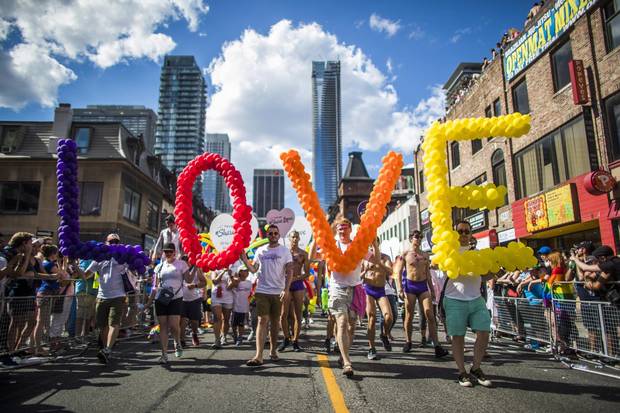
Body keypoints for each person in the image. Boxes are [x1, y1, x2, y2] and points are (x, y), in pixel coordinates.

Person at [442, 221, 492, 387]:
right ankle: (462, 372)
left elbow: (482, 276)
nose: (463, 235)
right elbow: (441, 267)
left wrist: (497, 273)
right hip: (454, 299)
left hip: (476, 298)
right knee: (458, 337)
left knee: (484, 332)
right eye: (460, 231)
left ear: (471, 234)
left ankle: (476, 368)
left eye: (466, 231)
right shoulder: (448, 251)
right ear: (455, 234)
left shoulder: (478, 252)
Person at [316, 218, 367, 377]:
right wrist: (316, 237)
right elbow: (314, 257)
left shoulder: (358, 245)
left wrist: (376, 246)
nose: (342, 231)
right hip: (337, 289)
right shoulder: (331, 246)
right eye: (339, 229)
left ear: (350, 229)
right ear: (336, 231)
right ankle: (347, 362)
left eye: (345, 228)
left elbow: (375, 260)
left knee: (351, 327)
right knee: (342, 323)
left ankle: (342, 355)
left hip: (355, 290)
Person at [241, 224, 293, 366]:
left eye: (276, 233)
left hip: (278, 292)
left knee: (275, 323)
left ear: (279, 235)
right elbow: (253, 270)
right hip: (262, 291)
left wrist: (286, 289)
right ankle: (258, 355)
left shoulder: (285, 251)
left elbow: (289, 271)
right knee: (262, 320)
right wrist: (245, 261)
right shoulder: (260, 250)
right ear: (267, 235)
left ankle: (273, 350)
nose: (273, 235)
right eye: (270, 233)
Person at [394, 230, 449, 358]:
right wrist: (399, 289)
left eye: (420, 237)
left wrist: (433, 291)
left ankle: (437, 345)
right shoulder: (405, 254)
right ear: (411, 239)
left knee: (430, 313)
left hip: (423, 286)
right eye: (416, 237)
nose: (419, 239)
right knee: (409, 315)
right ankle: (408, 341)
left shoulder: (425, 255)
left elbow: (428, 274)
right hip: (410, 287)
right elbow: (398, 272)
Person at [84, 234, 133, 364]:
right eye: (111, 241)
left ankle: (107, 350)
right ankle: (104, 349)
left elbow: (136, 268)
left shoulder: (123, 258)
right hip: (101, 296)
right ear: (105, 243)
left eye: (116, 241)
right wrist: (71, 263)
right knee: (102, 326)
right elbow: (85, 276)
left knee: (114, 324)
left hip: (118, 296)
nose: (113, 244)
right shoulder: (99, 259)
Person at [147, 243, 195, 364]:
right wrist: (148, 302)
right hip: (161, 299)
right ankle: (164, 354)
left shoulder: (181, 264)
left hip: (176, 298)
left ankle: (177, 342)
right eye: (166, 251)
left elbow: (188, 279)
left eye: (170, 251)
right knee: (163, 326)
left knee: (174, 325)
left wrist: (196, 267)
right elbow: (154, 286)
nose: (168, 253)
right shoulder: (159, 266)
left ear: (175, 252)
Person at [5, 235, 38, 354]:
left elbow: (33, 274)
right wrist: (28, 254)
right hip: (16, 292)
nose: (32, 246)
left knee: (29, 322)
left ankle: (18, 348)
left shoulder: (24, 256)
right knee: (15, 323)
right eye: (30, 243)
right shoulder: (12, 253)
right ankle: (10, 351)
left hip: (29, 293)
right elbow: (19, 273)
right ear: (24, 243)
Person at [361, 239, 394, 360]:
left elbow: (391, 272)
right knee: (372, 316)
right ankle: (371, 348)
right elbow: (358, 277)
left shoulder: (385, 257)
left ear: (378, 245)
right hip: (368, 289)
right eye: (370, 244)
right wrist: (365, 271)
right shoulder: (364, 258)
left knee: (389, 317)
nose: (372, 247)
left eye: (374, 244)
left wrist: (379, 263)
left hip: (381, 290)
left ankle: (384, 334)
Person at [279, 230, 310, 352]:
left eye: (297, 237)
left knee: (298, 315)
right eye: (293, 237)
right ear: (289, 238)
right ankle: (286, 338)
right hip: (285, 285)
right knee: (283, 315)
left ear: (299, 239)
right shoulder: (283, 252)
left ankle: (295, 341)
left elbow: (307, 274)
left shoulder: (304, 254)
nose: (295, 239)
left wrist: (295, 278)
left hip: (297, 285)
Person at [32, 244, 64, 356]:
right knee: (41, 321)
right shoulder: (49, 264)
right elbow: (62, 275)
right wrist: (60, 262)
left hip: (48, 293)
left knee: (43, 321)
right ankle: (37, 347)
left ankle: (38, 346)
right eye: (56, 253)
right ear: (53, 254)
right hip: (46, 293)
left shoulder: (46, 263)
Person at [181, 259, 207, 347]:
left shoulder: (196, 270)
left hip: (194, 299)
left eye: (187, 261)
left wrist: (195, 285)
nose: (185, 263)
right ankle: (182, 339)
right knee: (182, 320)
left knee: (194, 321)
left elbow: (204, 282)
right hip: (181, 299)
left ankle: (194, 334)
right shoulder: (179, 269)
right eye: (183, 261)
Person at [210, 267, 234, 348]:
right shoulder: (215, 270)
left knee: (226, 319)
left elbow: (231, 286)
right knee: (217, 318)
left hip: (228, 297)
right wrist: (223, 272)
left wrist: (231, 276)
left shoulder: (231, 270)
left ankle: (224, 336)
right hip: (216, 296)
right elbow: (214, 281)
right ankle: (217, 340)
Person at [75, 259, 98, 341]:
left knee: (88, 314)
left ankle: (85, 335)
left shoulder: (95, 259)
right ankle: (78, 336)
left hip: (92, 290)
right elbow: (86, 275)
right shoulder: (86, 259)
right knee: (81, 313)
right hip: (83, 290)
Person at [231, 266, 253, 346]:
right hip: (235, 306)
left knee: (241, 324)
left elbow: (251, 294)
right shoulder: (236, 281)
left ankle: (240, 337)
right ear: (239, 272)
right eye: (243, 271)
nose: (246, 272)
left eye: (247, 271)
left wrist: (251, 303)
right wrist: (233, 278)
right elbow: (229, 288)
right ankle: (235, 335)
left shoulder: (249, 283)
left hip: (244, 307)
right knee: (233, 324)